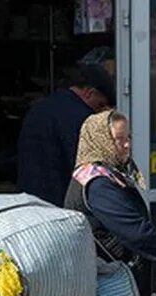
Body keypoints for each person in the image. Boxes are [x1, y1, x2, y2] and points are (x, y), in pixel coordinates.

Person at [64, 109, 156, 296]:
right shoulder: (97, 183)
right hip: (110, 289)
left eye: (128, 137)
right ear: (100, 140)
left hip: (117, 281)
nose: (127, 145)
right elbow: (137, 233)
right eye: (118, 139)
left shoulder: (108, 175)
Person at [17, 62, 116, 205]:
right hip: (59, 199)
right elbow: (84, 167)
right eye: (100, 105)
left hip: (29, 197)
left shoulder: (39, 108)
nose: (99, 112)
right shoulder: (82, 118)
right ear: (90, 93)